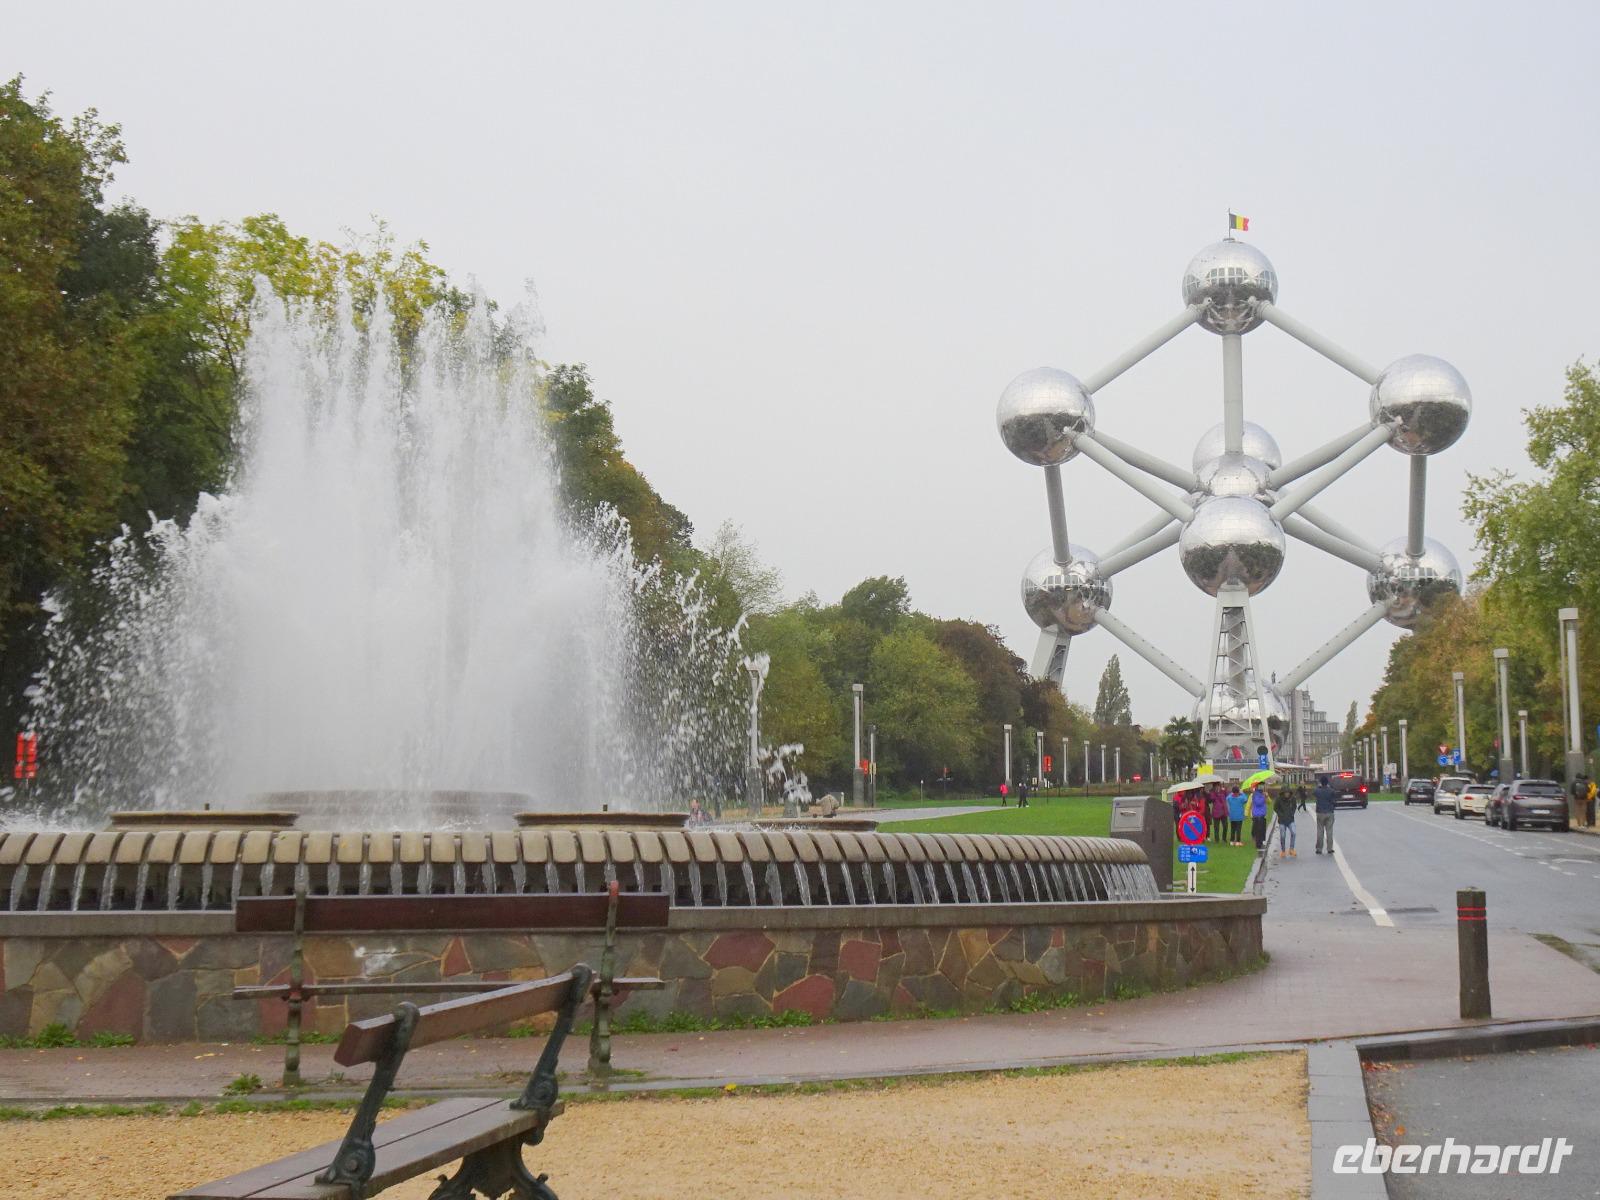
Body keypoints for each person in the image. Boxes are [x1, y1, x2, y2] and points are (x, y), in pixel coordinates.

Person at [1313, 774, 1338, 855]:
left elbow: (1314, 792)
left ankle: (1319, 849)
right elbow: (1334, 796)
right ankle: (1330, 848)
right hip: (1329, 812)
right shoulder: (1331, 790)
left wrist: (1319, 786)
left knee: (1320, 831)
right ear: (1327, 782)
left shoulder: (1317, 790)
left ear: (1320, 782)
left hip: (1320, 812)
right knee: (1329, 831)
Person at [1275, 786, 1298, 857]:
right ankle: (1283, 851)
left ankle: (1291, 849)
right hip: (1282, 820)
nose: (1287, 794)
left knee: (1294, 833)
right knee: (1282, 835)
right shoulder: (1278, 799)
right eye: (1285, 793)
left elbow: (1294, 806)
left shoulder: (1292, 798)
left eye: (1288, 793)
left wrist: (1292, 813)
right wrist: (1280, 814)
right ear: (1283, 793)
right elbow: (1275, 808)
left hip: (1290, 819)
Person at [1249, 783, 1269, 849]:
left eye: (1263, 786)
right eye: (1260, 786)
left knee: (1262, 830)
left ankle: (1261, 843)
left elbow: (1268, 802)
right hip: (1258, 815)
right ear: (1257, 787)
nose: (1262, 787)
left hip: (1262, 814)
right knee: (1259, 830)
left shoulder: (1263, 793)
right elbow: (1258, 803)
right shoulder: (1255, 794)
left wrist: (1266, 796)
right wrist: (1264, 797)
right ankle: (1258, 845)